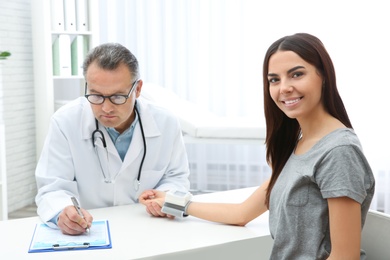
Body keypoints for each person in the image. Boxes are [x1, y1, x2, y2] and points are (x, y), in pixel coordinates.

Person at [140, 33, 375, 259]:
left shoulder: (338, 152)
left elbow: (345, 257)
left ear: (324, 76)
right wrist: (172, 201)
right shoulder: (301, 145)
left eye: (296, 74)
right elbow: (241, 213)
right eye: (274, 79)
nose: (283, 88)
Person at [35, 43, 190, 235]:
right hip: (91, 232)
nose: (106, 108)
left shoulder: (166, 122)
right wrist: (62, 213)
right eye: (96, 96)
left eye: (117, 97)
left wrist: (167, 198)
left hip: (150, 227)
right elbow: (52, 187)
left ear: (138, 89)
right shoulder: (65, 122)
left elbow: (176, 178)